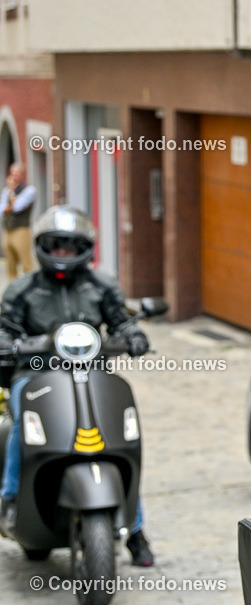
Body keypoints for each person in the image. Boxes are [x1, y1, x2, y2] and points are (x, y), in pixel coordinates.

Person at [0, 205, 155, 566]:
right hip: (35, 375)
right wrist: (6, 343)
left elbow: (121, 320)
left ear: (85, 248)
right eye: (56, 245)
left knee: (122, 438)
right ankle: (10, 497)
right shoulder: (21, 289)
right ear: (42, 246)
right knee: (24, 425)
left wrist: (134, 335)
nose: (63, 253)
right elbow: (6, 328)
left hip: (94, 374)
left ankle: (135, 529)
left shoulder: (102, 285)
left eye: (71, 246)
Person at [1, 162, 37, 281]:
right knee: (10, 264)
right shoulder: (6, 190)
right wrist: (9, 204)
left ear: (23, 175)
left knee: (26, 263)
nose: (14, 176)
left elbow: (16, 207)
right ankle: (12, 287)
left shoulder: (29, 190)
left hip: (21, 230)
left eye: (17, 174)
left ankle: (31, 285)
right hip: (8, 230)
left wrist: (12, 192)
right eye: (13, 173)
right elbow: (2, 210)